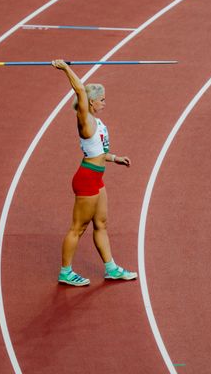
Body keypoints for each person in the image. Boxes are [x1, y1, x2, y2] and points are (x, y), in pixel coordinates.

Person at [52, 59, 137, 286]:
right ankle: (65, 272)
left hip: (97, 177)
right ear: (90, 103)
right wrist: (65, 68)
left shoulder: (98, 123)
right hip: (86, 178)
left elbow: (100, 151)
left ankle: (111, 268)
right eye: (101, 100)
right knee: (78, 229)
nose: (104, 103)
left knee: (101, 223)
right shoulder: (85, 120)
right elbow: (79, 89)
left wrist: (115, 158)